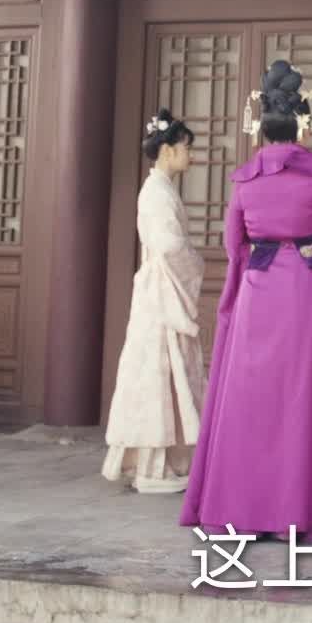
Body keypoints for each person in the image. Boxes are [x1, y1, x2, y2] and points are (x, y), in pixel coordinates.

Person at [181, 60, 312, 540]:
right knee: (305, 402)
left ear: (263, 126)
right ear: (301, 124)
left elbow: (233, 247)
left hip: (257, 294)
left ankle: (243, 511)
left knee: (251, 402)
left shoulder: (244, 181)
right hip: (308, 295)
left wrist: (234, 296)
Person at [104, 110, 205, 495]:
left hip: (160, 290)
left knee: (163, 373)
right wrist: (196, 261)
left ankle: (166, 463)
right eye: (186, 147)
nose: (190, 155)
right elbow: (169, 245)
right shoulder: (156, 192)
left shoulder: (160, 189)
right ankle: (153, 468)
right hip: (161, 293)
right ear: (167, 150)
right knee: (159, 374)